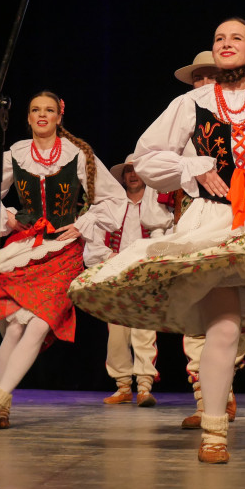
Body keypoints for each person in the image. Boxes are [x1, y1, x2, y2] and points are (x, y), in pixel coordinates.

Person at [69, 18, 245, 466]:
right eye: (219, 39)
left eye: (235, 38)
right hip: (212, 220)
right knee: (223, 327)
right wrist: (193, 167)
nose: (225, 44)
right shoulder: (191, 102)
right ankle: (214, 432)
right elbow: (147, 155)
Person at [0, 91, 126, 430]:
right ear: (27, 117)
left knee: (39, 323)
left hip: (63, 251)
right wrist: (7, 216)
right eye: (36, 110)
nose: (42, 115)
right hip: (25, 248)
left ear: (58, 117)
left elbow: (113, 199)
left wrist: (82, 224)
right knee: (15, 327)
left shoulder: (79, 155)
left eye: (49, 110)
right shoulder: (15, 155)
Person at [170, 51, 245, 429]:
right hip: (196, 218)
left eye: (209, 76)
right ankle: (207, 402)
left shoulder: (244, 114)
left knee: (240, 310)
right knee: (199, 310)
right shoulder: (184, 118)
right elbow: (159, 163)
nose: (202, 83)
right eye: (197, 78)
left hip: (240, 214)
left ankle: (223, 389)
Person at [88, 159, 172, 407]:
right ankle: (123, 386)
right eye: (127, 171)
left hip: (144, 272)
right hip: (116, 271)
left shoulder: (157, 204)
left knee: (144, 330)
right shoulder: (112, 206)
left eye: (136, 170)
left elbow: (167, 233)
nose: (133, 175)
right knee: (116, 332)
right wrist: (109, 256)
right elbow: (94, 237)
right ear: (123, 178)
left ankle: (144, 386)